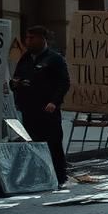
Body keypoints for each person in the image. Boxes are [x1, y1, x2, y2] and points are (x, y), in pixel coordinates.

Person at [10, 25, 72, 183]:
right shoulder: (25, 58)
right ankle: (40, 176)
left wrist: (54, 102)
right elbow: (15, 78)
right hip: (29, 109)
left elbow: (64, 83)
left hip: (48, 110)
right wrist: (15, 84)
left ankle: (59, 176)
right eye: (27, 38)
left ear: (42, 39)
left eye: (32, 38)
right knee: (34, 143)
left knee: (53, 143)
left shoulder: (54, 59)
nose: (28, 41)